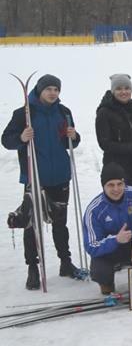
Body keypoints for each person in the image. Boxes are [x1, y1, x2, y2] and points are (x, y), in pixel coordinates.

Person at [2, 74, 83, 288]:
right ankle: (33, 268)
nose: (53, 93)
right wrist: (21, 138)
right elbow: (6, 140)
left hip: (61, 176)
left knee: (60, 223)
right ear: (39, 90)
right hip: (36, 177)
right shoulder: (24, 114)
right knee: (32, 225)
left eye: (56, 89)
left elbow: (71, 143)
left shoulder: (64, 112)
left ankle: (65, 262)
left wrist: (73, 136)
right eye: (49, 89)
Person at [83, 163, 132, 295]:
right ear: (103, 186)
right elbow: (91, 245)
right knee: (99, 271)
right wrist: (116, 240)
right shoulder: (94, 209)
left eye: (120, 184)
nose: (116, 189)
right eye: (111, 185)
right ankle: (107, 283)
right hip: (112, 248)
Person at [95, 73, 132, 191]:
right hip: (115, 171)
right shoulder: (104, 113)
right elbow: (105, 144)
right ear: (113, 91)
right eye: (119, 89)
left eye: (127, 88)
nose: (123, 92)